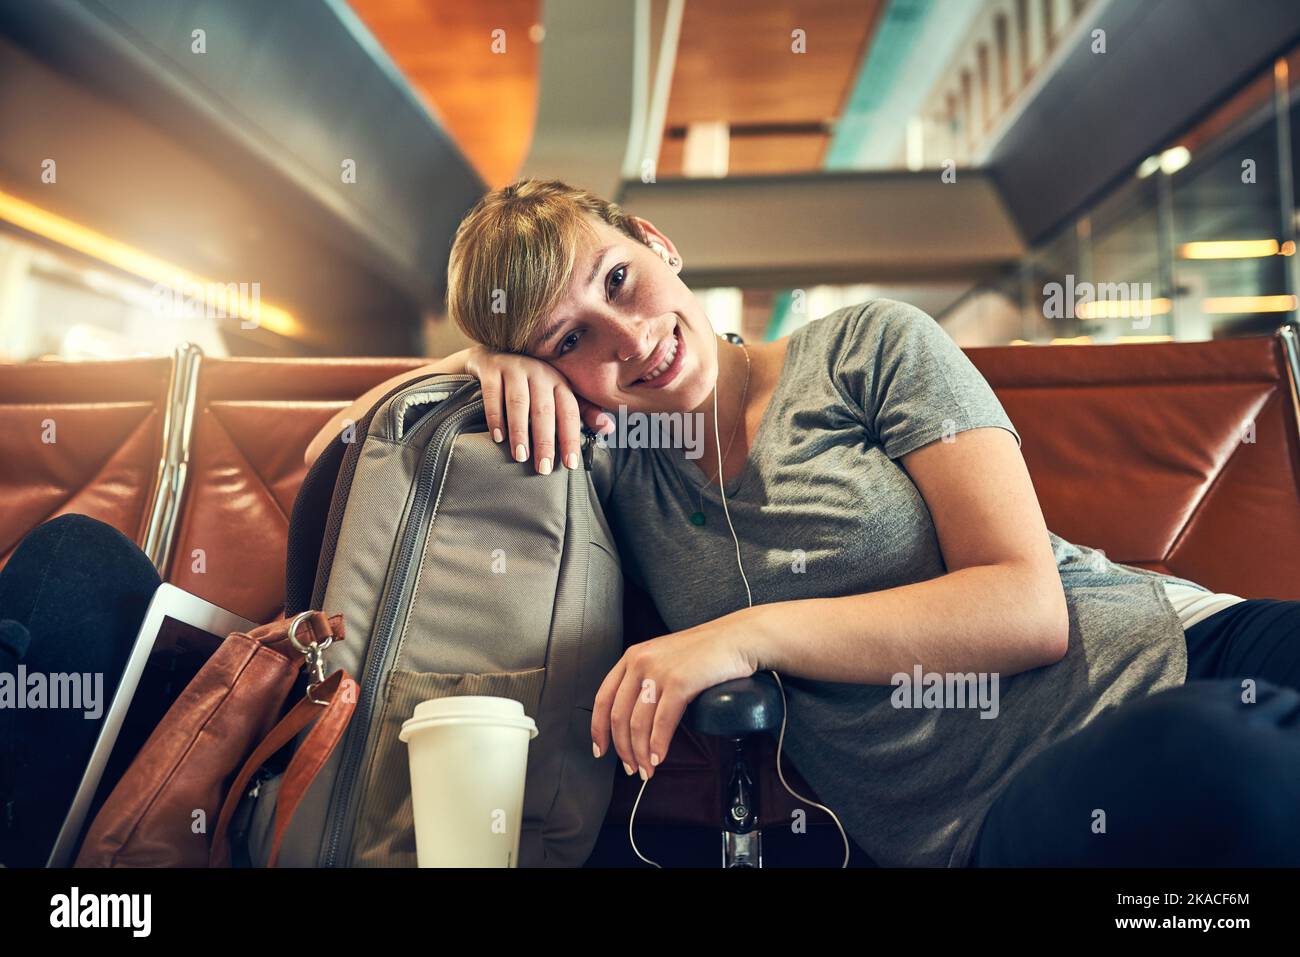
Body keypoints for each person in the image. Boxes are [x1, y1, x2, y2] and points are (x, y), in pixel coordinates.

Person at [305, 178, 1300, 867]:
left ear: (656, 241)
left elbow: (1027, 607)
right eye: (572, 339)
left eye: (617, 281)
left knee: (1235, 741)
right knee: (1224, 766)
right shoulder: (607, 468)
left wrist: (745, 633)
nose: (631, 338)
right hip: (995, 813)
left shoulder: (866, 346)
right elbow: (334, 452)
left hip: (1186, 647)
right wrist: (475, 367)